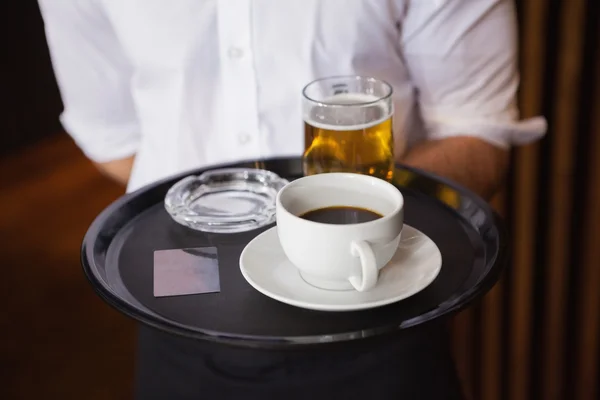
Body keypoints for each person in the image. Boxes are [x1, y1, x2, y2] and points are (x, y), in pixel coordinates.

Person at [39, 0, 546, 398]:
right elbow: (112, 139)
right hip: (181, 308)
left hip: (375, 315)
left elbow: (475, 131)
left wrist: (355, 216)